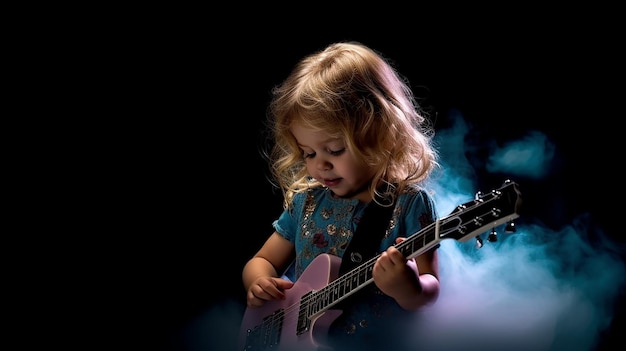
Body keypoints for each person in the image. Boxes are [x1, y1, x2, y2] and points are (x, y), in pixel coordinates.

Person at [241, 41, 441, 351]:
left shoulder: (409, 205)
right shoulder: (306, 204)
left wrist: (408, 288)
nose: (320, 164)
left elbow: (430, 287)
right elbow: (263, 260)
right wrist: (258, 281)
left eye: (335, 150)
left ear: (380, 132)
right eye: (307, 153)